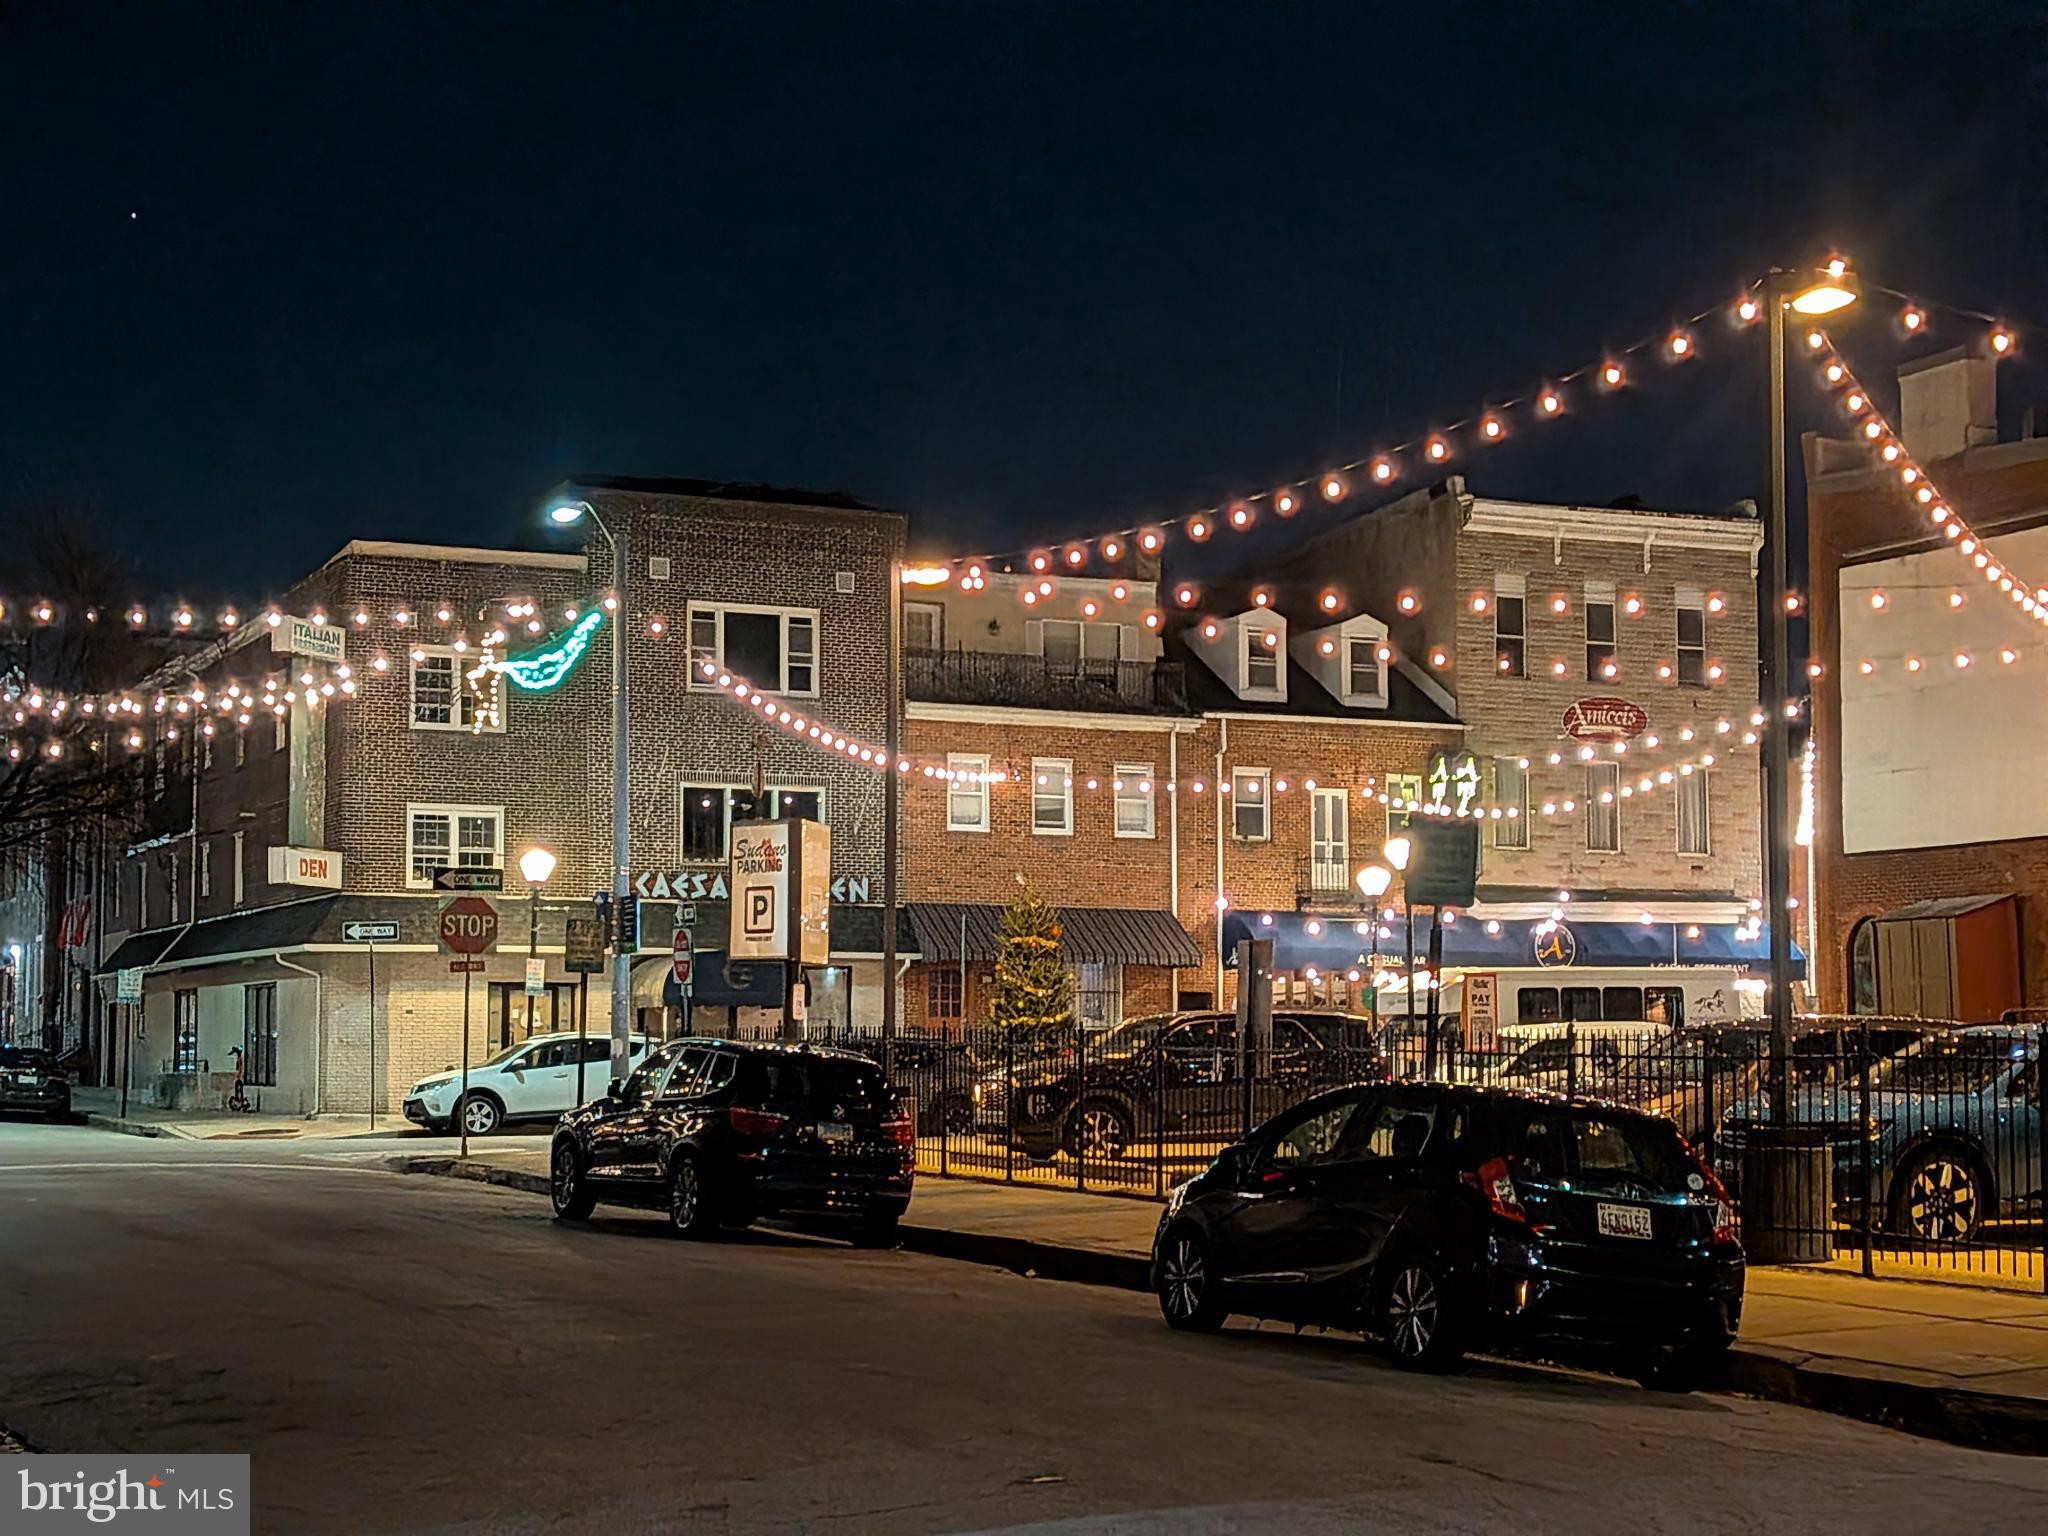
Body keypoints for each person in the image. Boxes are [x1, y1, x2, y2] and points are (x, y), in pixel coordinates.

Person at [226, 1044, 250, 1112]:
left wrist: (239, 1076)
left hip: (239, 1078)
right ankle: (240, 1103)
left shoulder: (240, 1060)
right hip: (239, 1078)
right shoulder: (240, 1060)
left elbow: (240, 1069)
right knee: (238, 1091)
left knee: (239, 1091)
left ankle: (240, 1103)